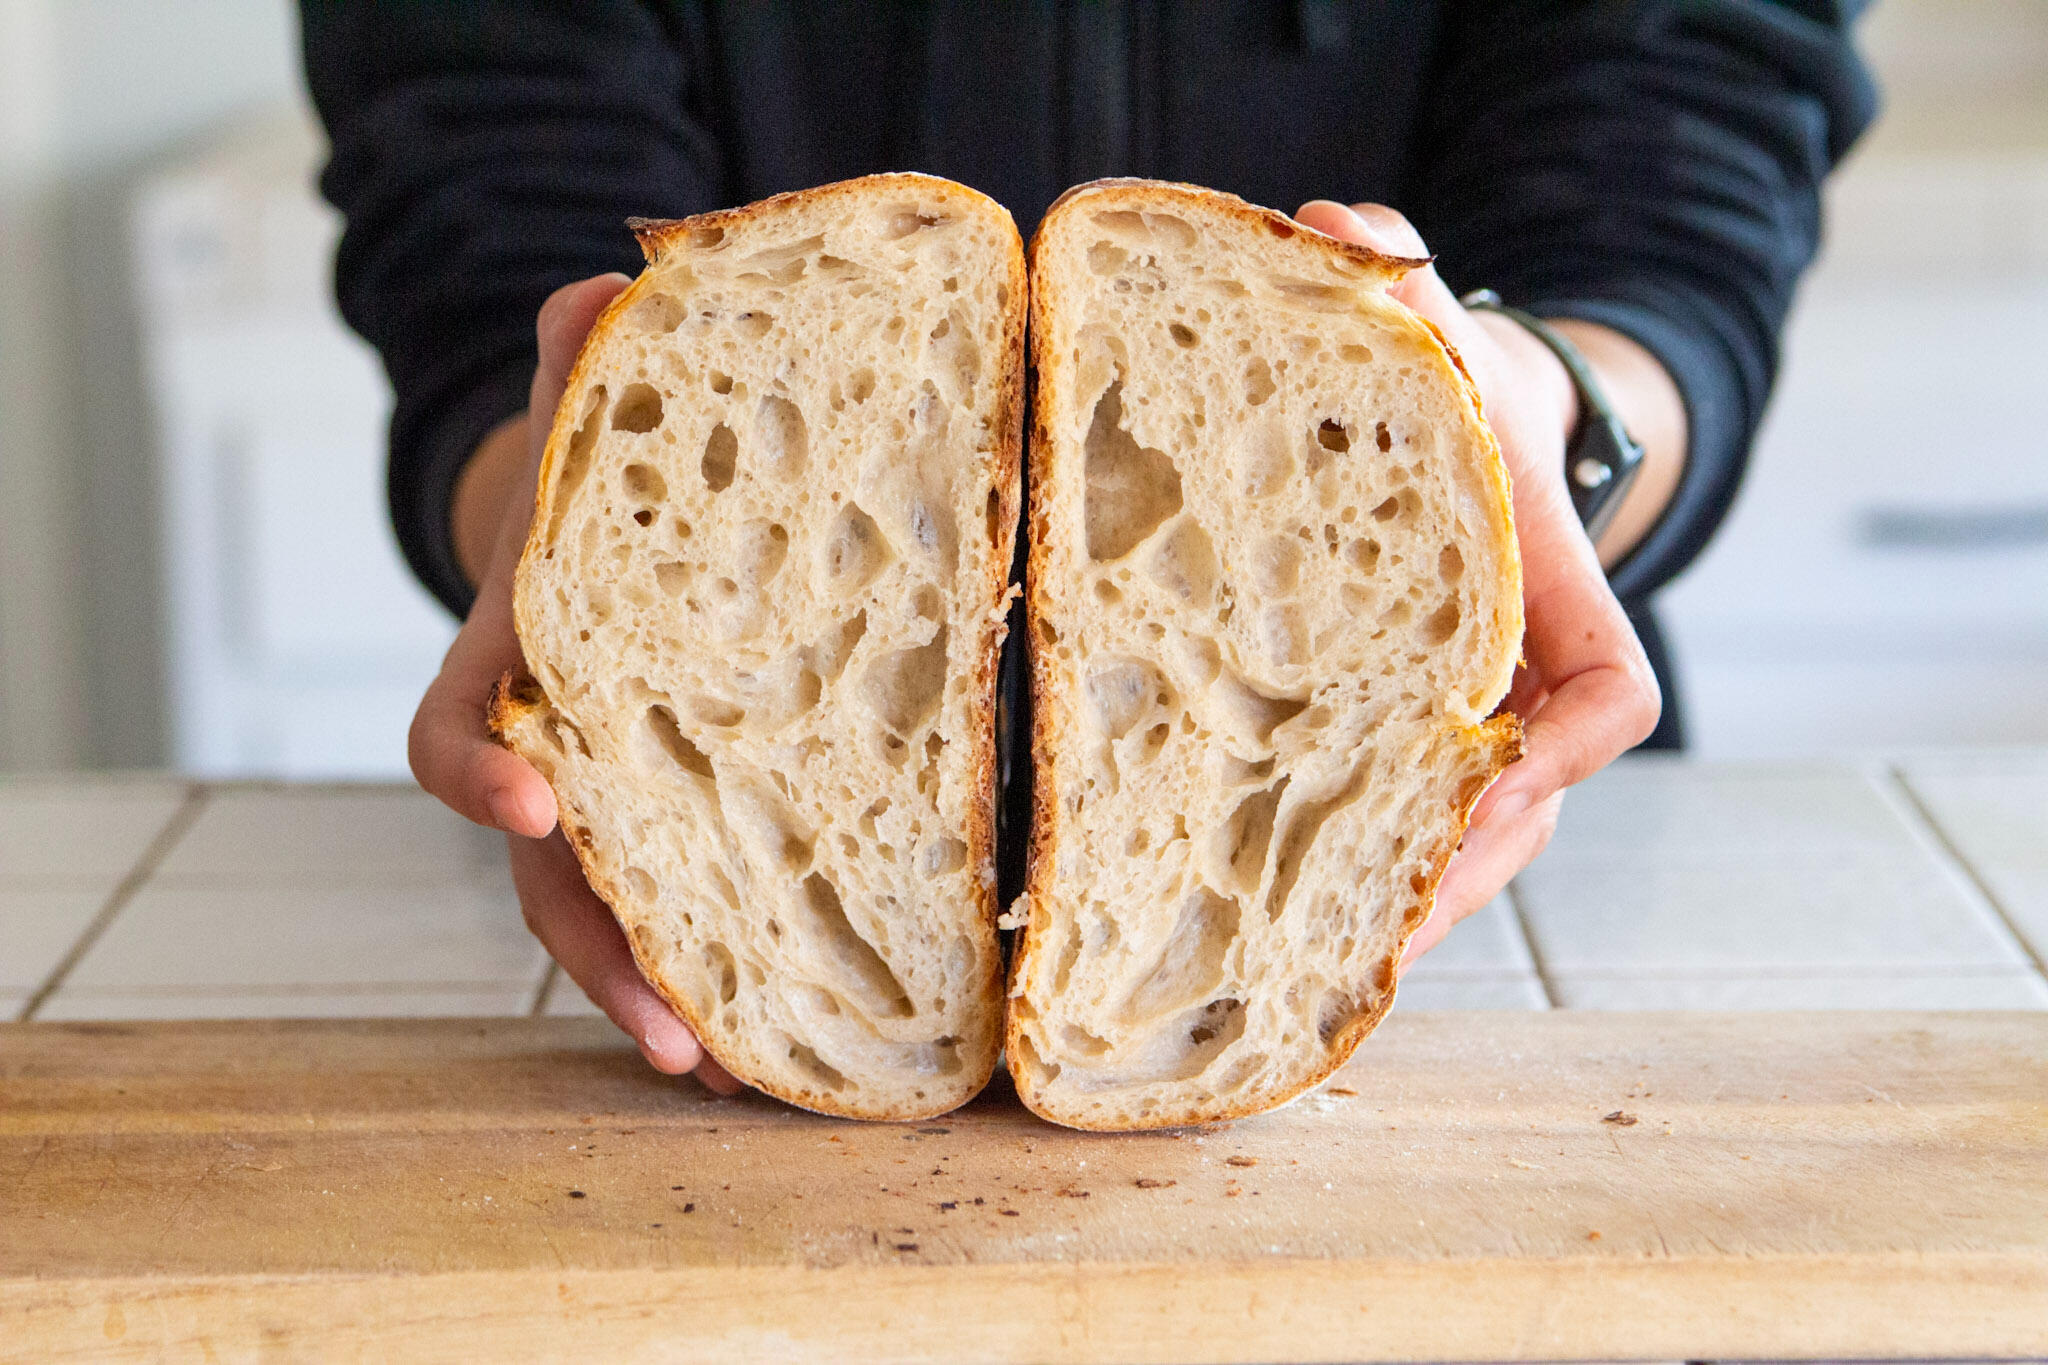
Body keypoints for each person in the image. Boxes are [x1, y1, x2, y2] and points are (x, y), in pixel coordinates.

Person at [301, 2, 1876, 1090]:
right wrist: (560, 533)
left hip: (1461, 906)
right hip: (695, 906)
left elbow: (1679, 163)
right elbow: (488, 207)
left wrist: (1523, 404)